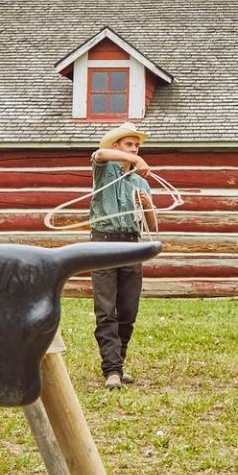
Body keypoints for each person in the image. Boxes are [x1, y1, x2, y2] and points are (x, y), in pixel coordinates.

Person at [87, 121, 153, 389]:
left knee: (128, 310)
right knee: (106, 309)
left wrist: (147, 205)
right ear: (117, 146)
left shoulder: (139, 182)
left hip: (131, 244)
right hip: (103, 243)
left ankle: (119, 362)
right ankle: (111, 370)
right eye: (129, 144)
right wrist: (134, 158)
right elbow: (99, 155)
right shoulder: (104, 170)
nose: (134, 148)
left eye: (136, 145)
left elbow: (152, 225)